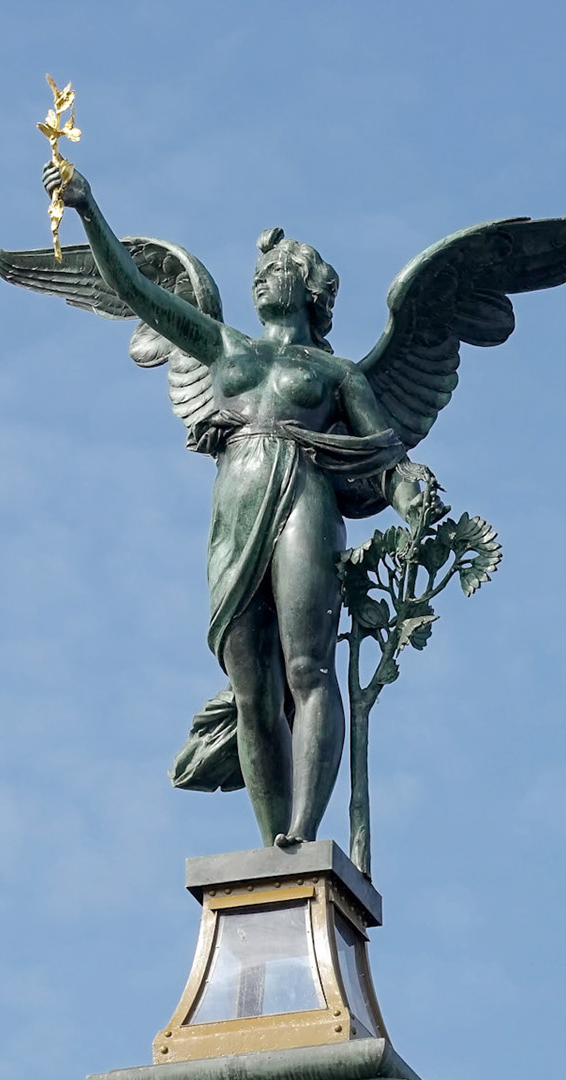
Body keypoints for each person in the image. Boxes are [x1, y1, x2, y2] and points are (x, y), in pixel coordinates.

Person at [48, 164, 430, 848]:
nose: (262, 277)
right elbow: (134, 287)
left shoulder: (337, 374)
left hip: (304, 493)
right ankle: (270, 843)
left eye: (279, 268)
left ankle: (303, 832)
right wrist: (87, 207)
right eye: (261, 269)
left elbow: (382, 457)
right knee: (252, 688)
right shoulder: (224, 345)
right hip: (236, 506)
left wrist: (413, 499)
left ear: (311, 289)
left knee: (306, 667)